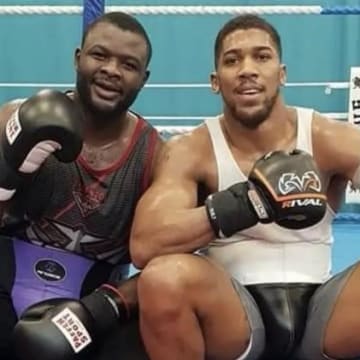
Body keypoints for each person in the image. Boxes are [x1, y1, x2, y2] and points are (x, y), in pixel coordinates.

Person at [126, 14, 360, 360]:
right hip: (233, 315)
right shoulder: (192, 149)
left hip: (325, 315)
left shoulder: (327, 138)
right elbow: (146, 244)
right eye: (232, 60)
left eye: (261, 57)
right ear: (215, 81)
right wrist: (245, 204)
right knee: (163, 279)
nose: (247, 69)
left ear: (282, 74)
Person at [0, 11, 162, 360]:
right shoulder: (14, 117)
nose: (111, 70)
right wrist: (7, 175)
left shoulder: (155, 155)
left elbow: (166, 267)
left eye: (128, 64)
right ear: (78, 58)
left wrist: (99, 310)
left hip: (93, 302)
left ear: (143, 79)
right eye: (100, 55)